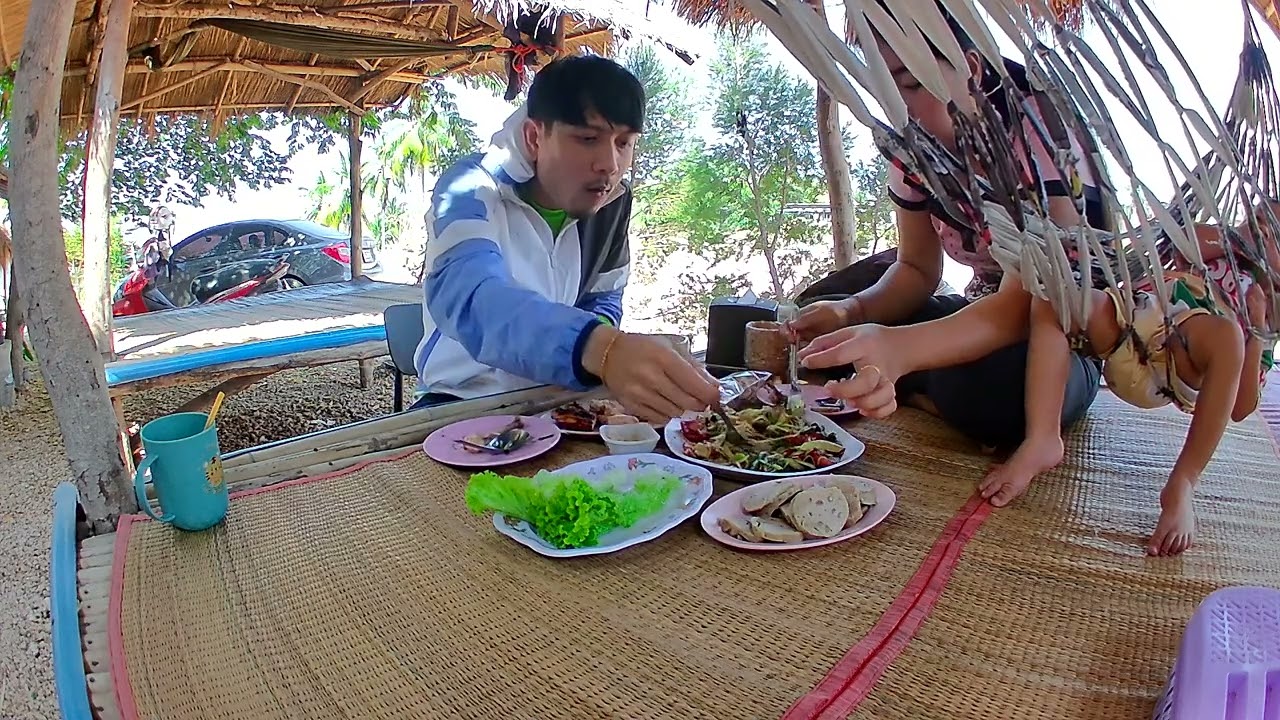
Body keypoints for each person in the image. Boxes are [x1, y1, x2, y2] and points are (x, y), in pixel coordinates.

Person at [789, 5, 1107, 451]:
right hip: (974, 315)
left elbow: (1024, 306)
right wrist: (851, 312)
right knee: (823, 325)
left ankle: (908, 379)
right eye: (882, 90)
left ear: (969, 68)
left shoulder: (1041, 132)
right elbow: (916, 269)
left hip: (1057, 339)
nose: (899, 108)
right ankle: (905, 374)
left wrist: (902, 348)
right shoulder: (914, 148)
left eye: (910, 84)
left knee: (1000, 391)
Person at [413, 55, 719, 422]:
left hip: (557, 399)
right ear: (535, 137)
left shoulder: (610, 202)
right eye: (588, 139)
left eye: (624, 143)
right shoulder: (469, 189)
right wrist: (600, 348)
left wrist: (611, 351)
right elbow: (471, 296)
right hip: (458, 405)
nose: (609, 164)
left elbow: (604, 297)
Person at [997, 213, 1279, 555]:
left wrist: (1257, 332)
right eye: (1261, 220)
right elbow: (1182, 240)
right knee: (1054, 295)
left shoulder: (1264, 314)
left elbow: (1241, 406)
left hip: (1177, 364)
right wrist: (1238, 238)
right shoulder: (1223, 248)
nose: (1265, 232)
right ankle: (1042, 437)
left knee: (1229, 336)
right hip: (1134, 322)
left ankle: (1182, 483)